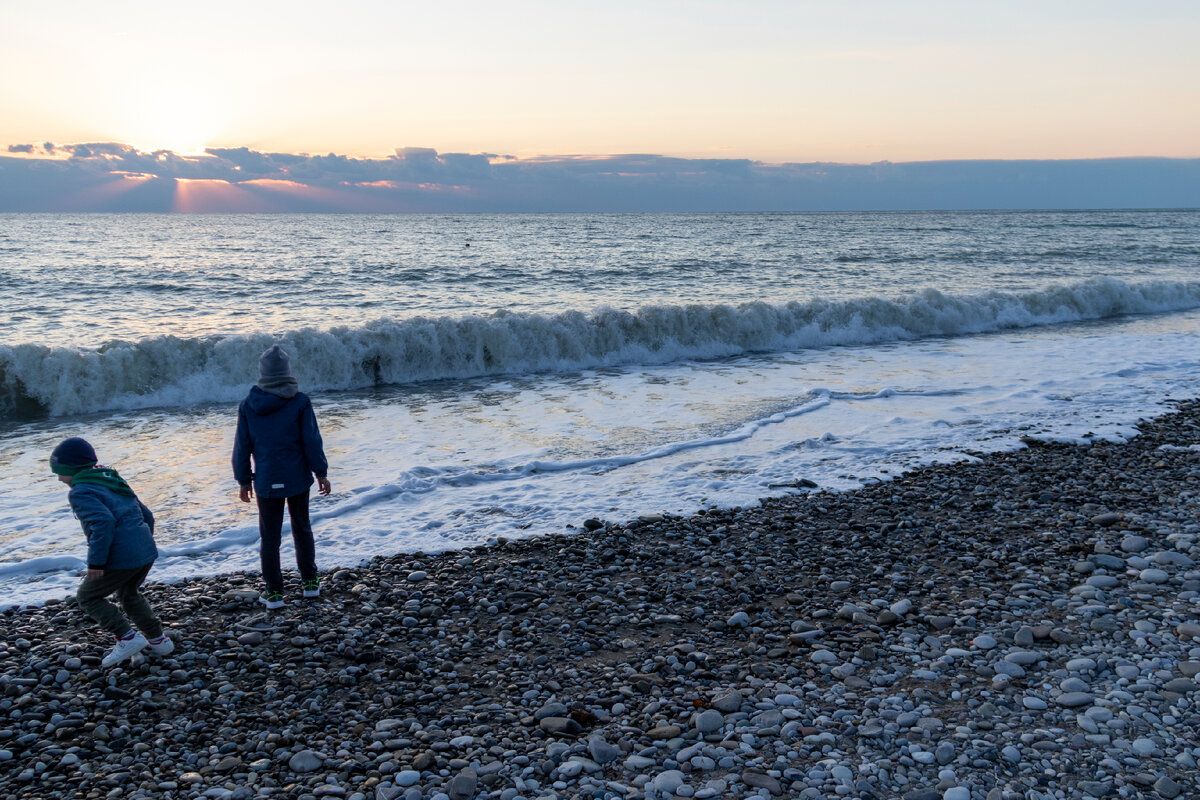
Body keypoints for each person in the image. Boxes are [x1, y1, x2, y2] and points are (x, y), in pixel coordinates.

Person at [50, 437, 174, 667]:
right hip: (145, 550)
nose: (59, 478)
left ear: (72, 469)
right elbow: (147, 515)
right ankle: (159, 640)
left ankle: (127, 638)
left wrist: (96, 563)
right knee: (129, 594)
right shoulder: (112, 480)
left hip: (120, 556)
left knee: (88, 597)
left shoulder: (80, 491)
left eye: (60, 472)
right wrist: (143, 542)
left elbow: (103, 524)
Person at [233, 344, 331, 609]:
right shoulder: (300, 401)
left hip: (266, 479)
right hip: (298, 477)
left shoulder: (249, 405)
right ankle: (310, 582)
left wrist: (244, 479)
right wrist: (320, 472)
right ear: (287, 371)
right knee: (302, 528)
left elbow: (242, 446)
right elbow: (311, 441)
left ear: (263, 373)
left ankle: (274, 592)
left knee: (270, 536)